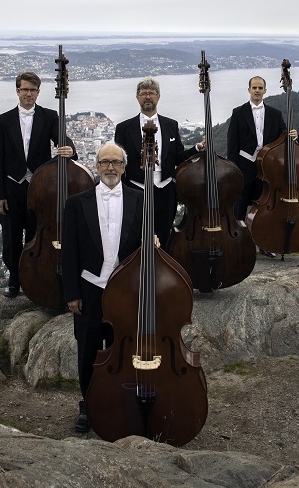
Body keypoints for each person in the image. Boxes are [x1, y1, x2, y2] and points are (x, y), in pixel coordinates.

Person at [61, 142, 143, 433]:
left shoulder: (141, 199)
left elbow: (147, 245)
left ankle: (122, 401)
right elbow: (68, 252)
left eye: (116, 162)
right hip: (89, 288)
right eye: (105, 162)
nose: (110, 167)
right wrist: (71, 294)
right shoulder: (76, 203)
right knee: (89, 353)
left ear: (124, 167)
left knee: (124, 350)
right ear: (96, 167)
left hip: (126, 292)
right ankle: (88, 404)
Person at [0, 71, 75, 298]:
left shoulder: (49, 116)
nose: (28, 93)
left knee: (36, 236)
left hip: (38, 188)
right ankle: (15, 279)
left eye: (33, 90)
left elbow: (62, 138)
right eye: (25, 89)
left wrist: (70, 148)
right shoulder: (2, 121)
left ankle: (35, 277)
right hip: (10, 188)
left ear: (38, 92)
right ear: (17, 91)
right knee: (11, 236)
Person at [113, 77, 202, 249]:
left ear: (158, 97)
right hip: (136, 188)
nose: (148, 97)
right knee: (135, 233)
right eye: (143, 94)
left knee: (164, 234)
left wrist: (196, 149)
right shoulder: (124, 128)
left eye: (152, 93)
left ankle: (162, 271)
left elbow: (177, 158)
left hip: (165, 189)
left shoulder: (170, 125)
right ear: (137, 98)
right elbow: (119, 162)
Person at [226, 76, 298, 224]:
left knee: (264, 207)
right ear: (249, 90)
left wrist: (296, 136)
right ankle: (239, 243)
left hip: (266, 169)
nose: (257, 91)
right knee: (239, 208)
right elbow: (232, 144)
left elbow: (284, 135)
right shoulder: (238, 113)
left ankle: (264, 241)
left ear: (265, 90)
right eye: (254, 88)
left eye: (260, 88)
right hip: (244, 167)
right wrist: (233, 170)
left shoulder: (275, 114)